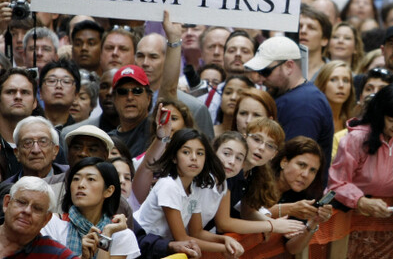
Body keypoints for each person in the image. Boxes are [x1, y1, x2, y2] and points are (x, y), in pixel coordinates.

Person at [135, 129, 243, 257]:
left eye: (200, 153)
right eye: (186, 152)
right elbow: (181, 238)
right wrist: (224, 248)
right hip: (140, 244)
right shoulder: (169, 185)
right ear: (174, 157)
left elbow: (197, 232)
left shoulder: (194, 188)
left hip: (157, 247)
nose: (194, 158)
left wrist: (225, 240)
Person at [328, 84, 393, 218]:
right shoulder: (356, 139)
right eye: (391, 120)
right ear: (380, 115)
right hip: (348, 213)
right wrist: (361, 201)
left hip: (388, 216)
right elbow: (337, 183)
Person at [244, 37, 334, 181]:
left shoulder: (304, 104)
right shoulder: (292, 96)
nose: (260, 78)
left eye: (266, 71)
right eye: (258, 71)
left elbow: (294, 165)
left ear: (289, 66)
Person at [42, 157, 140, 258]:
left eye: (91, 179)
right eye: (76, 179)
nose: (81, 185)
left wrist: (106, 235)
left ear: (108, 191)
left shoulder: (119, 234)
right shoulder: (52, 223)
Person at [269, 136, 332, 254]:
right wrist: (290, 209)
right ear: (284, 162)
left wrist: (313, 222)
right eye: (301, 165)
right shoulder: (260, 179)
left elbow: (293, 248)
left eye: (313, 170)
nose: (305, 174)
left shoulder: (301, 197)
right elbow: (247, 213)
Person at [0, 177, 77, 259]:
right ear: (7, 203)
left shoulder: (55, 255)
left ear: (46, 219)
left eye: (37, 208)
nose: (27, 211)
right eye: (22, 202)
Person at [0, 116, 67, 186]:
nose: (36, 150)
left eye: (43, 142)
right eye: (27, 143)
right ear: (17, 153)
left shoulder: (71, 179)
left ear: (55, 150)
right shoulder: (6, 190)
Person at [108, 65, 153, 157]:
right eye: (122, 92)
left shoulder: (156, 129)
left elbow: (169, 91)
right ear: (114, 99)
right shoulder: (107, 140)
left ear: (149, 98)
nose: (129, 97)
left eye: (137, 91)